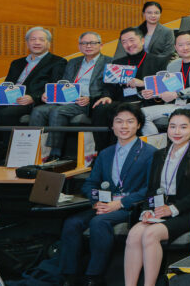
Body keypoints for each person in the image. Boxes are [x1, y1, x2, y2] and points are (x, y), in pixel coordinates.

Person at [61, 104, 153, 286]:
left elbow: (149, 189)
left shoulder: (150, 152)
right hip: (104, 205)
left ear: (139, 125)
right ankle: (68, 276)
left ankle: (94, 276)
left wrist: (120, 204)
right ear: (112, 126)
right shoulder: (105, 153)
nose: (124, 126)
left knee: (99, 222)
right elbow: (90, 183)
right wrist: (96, 202)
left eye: (129, 122)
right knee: (71, 223)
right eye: (119, 122)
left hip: (130, 206)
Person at [123, 109, 190, 286]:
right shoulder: (158, 155)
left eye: (183, 127)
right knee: (133, 234)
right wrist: (147, 210)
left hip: (186, 211)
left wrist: (172, 209)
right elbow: (151, 190)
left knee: (150, 235)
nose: (177, 132)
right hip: (159, 209)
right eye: (173, 127)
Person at [0, 26, 66, 159]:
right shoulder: (17, 63)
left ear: (48, 43)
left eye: (41, 40)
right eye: (33, 39)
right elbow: (8, 84)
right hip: (9, 100)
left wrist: (33, 98)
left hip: (30, 102)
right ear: (27, 43)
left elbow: (53, 87)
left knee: (6, 114)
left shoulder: (58, 62)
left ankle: (9, 151)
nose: (37, 42)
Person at [30, 31, 108, 161]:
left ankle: (54, 153)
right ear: (79, 47)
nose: (88, 46)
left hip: (86, 102)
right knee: (38, 111)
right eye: (84, 43)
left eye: (92, 43)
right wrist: (49, 94)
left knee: (58, 111)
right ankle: (33, 150)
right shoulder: (73, 62)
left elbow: (109, 89)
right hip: (66, 99)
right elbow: (63, 83)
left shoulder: (108, 62)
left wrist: (91, 98)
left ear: (101, 45)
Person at [92, 28, 168, 150]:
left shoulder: (159, 61)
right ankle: (102, 152)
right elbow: (108, 87)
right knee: (100, 108)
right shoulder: (117, 63)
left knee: (122, 112)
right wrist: (106, 96)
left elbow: (164, 87)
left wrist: (143, 84)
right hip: (121, 102)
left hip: (145, 102)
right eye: (124, 42)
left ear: (142, 41)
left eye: (132, 40)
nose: (129, 45)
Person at [139, 31, 190, 136]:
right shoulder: (172, 65)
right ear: (175, 47)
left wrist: (178, 93)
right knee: (140, 114)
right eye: (181, 45)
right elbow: (167, 89)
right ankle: (156, 145)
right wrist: (154, 94)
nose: (185, 48)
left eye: (189, 44)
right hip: (176, 105)